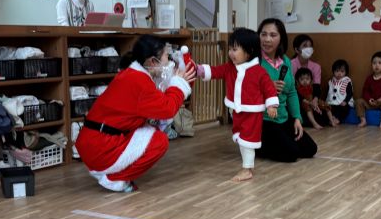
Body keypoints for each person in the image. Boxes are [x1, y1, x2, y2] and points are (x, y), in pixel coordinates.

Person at [74, 35, 194, 192]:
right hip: (101, 147)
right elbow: (168, 109)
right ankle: (114, 179)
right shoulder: (140, 82)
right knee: (159, 141)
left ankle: (109, 171)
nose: (169, 60)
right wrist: (179, 84)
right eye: (166, 56)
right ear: (153, 61)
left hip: (93, 143)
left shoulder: (132, 74)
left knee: (150, 129)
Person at [198, 28, 278, 182]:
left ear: (249, 52)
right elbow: (215, 71)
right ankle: (247, 166)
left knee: (248, 139)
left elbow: (269, 89)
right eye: (230, 49)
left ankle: (247, 169)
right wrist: (201, 70)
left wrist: (271, 105)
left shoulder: (259, 72)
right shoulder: (230, 68)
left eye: (234, 49)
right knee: (240, 136)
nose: (230, 53)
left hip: (252, 112)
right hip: (237, 111)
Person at [257, 18, 318, 162]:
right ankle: (255, 146)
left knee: (310, 149)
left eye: (273, 35)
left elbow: (291, 92)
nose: (267, 39)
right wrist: (268, 87)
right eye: (263, 34)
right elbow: (246, 91)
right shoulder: (255, 61)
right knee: (291, 154)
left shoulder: (285, 61)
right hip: (263, 119)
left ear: (281, 39)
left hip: (283, 118)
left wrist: (297, 118)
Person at [356, 51, 381, 128]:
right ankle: (363, 120)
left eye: (380, 63)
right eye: (374, 63)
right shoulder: (369, 78)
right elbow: (365, 91)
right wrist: (369, 99)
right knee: (358, 101)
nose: (376, 65)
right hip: (371, 103)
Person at [290, 34, 322, 100]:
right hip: (294, 98)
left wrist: (315, 100)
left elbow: (317, 87)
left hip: (310, 98)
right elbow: (291, 87)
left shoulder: (316, 67)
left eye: (310, 46)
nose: (308, 48)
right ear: (296, 50)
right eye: (305, 45)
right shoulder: (290, 64)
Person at [325, 59, 354, 125]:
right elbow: (328, 92)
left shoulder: (347, 81)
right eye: (337, 71)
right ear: (333, 71)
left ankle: (338, 119)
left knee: (344, 109)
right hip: (332, 102)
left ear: (346, 72)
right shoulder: (331, 81)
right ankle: (331, 118)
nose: (339, 73)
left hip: (343, 102)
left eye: (342, 71)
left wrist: (345, 101)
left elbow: (350, 93)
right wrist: (326, 101)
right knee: (328, 108)